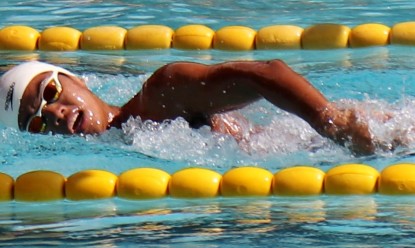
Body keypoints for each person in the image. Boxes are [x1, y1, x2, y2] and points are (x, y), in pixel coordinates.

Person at [0, 59, 375, 155]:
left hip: (338, 143)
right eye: (35, 124)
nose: (52, 115)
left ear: (76, 79)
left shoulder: (160, 94)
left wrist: (333, 123)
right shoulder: (126, 142)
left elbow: (264, 74)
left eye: (48, 94)